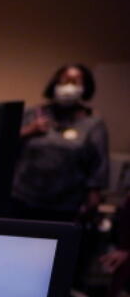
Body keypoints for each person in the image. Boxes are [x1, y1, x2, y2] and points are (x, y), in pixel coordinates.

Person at [12, 63, 109, 223]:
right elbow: (4, 143)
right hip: (22, 199)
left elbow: (98, 167)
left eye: (75, 82)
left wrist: (92, 201)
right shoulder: (32, 114)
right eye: (64, 81)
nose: (69, 87)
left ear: (85, 87)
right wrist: (30, 130)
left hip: (65, 206)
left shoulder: (93, 124)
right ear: (55, 84)